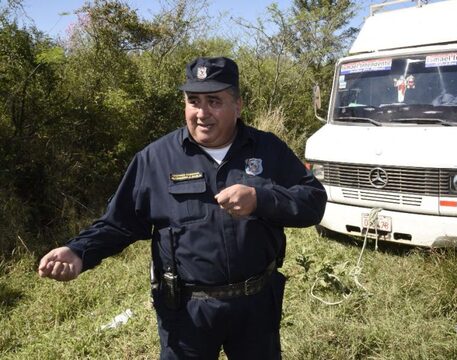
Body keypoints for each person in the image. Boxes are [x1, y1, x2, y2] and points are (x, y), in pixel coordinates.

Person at [37, 56, 327, 359]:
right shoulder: (155, 159)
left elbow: (313, 201)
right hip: (186, 312)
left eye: (214, 101)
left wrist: (262, 199)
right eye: (193, 101)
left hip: (255, 304)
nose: (201, 113)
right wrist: (79, 251)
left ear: (238, 105)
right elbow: (119, 222)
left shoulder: (268, 149)